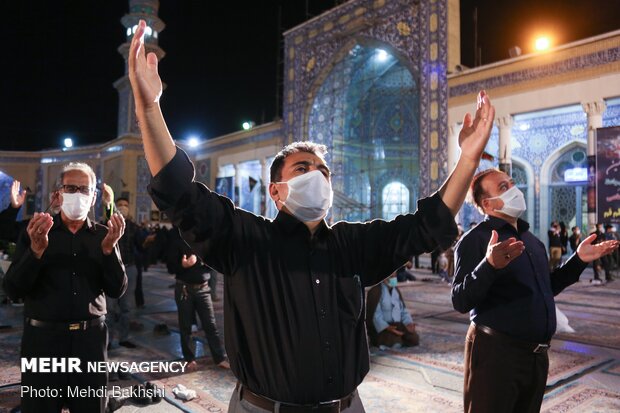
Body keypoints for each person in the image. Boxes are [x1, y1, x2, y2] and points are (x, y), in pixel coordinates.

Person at [129, 19, 494, 411]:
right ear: (275, 190)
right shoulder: (246, 241)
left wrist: (468, 159)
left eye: (324, 171)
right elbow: (180, 191)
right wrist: (150, 108)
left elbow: (427, 225)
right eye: (303, 169)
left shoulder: (351, 245)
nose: (317, 177)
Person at [452, 168, 619, 413]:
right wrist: (488, 265)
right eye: (503, 188)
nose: (513, 190)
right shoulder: (474, 241)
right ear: (487, 204)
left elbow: (546, 287)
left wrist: (579, 260)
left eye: (511, 183)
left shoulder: (532, 241)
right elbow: (460, 300)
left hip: (536, 356)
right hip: (496, 355)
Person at [3, 162, 127, 413]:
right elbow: (13, 289)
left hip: (89, 342)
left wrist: (108, 252)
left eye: (84, 189)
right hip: (43, 343)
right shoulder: (35, 231)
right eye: (71, 187)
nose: (78, 194)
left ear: (93, 198)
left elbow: (117, 289)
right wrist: (35, 252)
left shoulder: (105, 235)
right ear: (58, 194)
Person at [166, 228, 229, 369]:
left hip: (203, 289)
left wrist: (202, 261)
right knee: (185, 325)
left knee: (210, 325)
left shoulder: (205, 241)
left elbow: (215, 264)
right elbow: (170, 266)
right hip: (184, 289)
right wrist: (183, 265)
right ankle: (189, 358)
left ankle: (219, 358)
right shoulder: (178, 241)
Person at [105, 194, 143, 349]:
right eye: (120, 204)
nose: (123, 207)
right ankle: (107, 340)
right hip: (112, 269)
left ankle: (124, 337)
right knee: (110, 308)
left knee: (127, 307)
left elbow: (140, 247)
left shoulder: (134, 227)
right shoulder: (108, 224)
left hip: (130, 268)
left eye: (125, 205)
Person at [365, 272, 419, 349]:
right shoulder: (375, 291)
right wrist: (387, 327)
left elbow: (403, 310)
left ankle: (398, 338)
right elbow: (375, 315)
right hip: (383, 328)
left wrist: (408, 323)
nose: (393, 278)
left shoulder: (396, 290)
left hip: (397, 325)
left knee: (414, 338)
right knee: (395, 342)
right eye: (391, 276)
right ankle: (393, 340)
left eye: (395, 276)